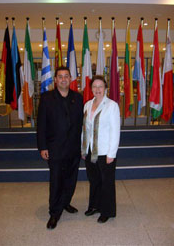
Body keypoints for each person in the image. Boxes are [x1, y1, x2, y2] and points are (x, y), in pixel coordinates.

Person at [37, 67, 83, 230]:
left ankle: (65, 203)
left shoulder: (78, 98)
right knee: (56, 181)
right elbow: (41, 125)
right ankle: (54, 213)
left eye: (66, 76)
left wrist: (83, 146)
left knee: (71, 180)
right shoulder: (47, 98)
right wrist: (42, 146)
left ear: (70, 79)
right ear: (55, 80)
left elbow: (81, 125)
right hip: (55, 148)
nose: (63, 79)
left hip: (73, 148)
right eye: (60, 77)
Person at [82, 75, 120, 223]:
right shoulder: (87, 105)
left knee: (107, 182)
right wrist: (83, 148)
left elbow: (115, 131)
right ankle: (95, 205)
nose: (97, 89)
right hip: (91, 149)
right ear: (91, 89)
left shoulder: (112, 106)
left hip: (105, 151)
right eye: (94, 86)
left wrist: (112, 154)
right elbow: (85, 128)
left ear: (105, 88)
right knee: (94, 180)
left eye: (100, 86)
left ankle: (108, 211)